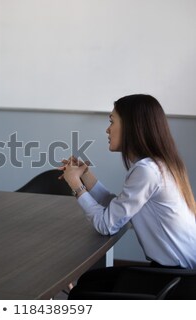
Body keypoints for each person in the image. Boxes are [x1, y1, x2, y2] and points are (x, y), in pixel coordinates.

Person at [58, 94, 196, 298]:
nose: (107, 129)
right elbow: (118, 210)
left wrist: (76, 186)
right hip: (180, 273)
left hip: (177, 280)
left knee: (83, 292)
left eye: (112, 122)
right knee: (88, 281)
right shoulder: (158, 165)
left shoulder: (147, 171)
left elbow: (106, 224)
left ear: (133, 127)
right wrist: (86, 177)